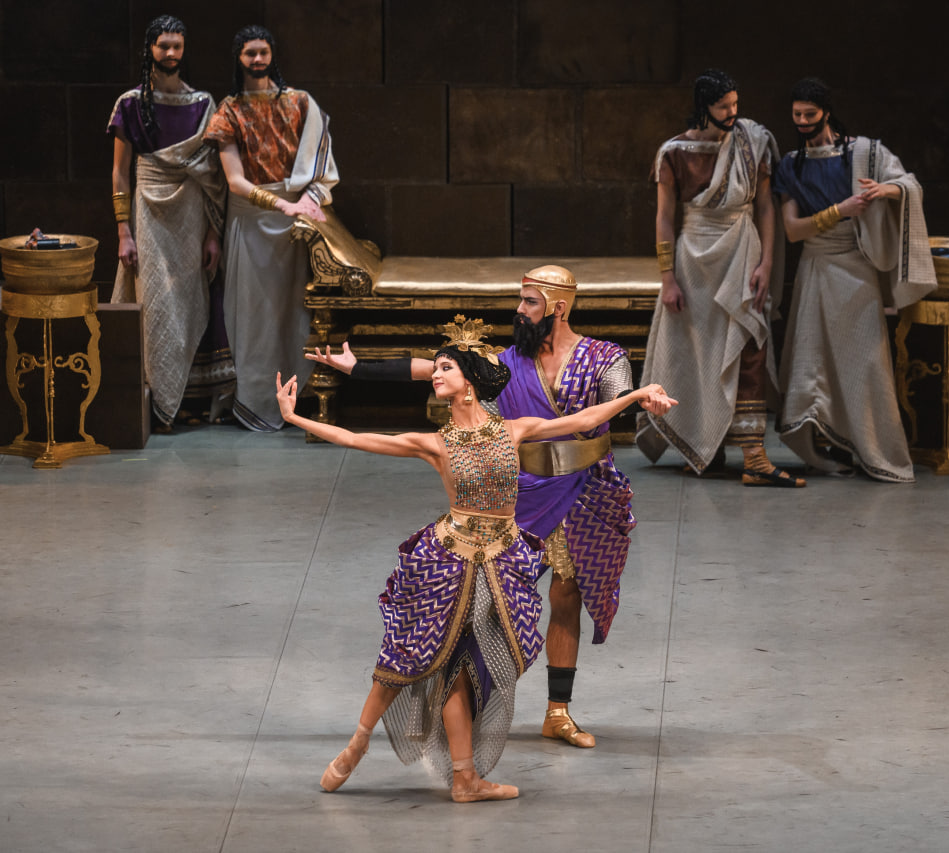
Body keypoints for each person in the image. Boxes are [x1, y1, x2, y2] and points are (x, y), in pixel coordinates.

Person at [277, 316, 676, 801]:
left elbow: (581, 421)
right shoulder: (436, 443)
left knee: (464, 667)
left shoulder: (513, 430)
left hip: (501, 566)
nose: (435, 374)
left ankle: (465, 779)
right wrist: (296, 418)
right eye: (436, 368)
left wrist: (637, 395)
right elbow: (356, 439)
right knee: (408, 653)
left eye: (445, 368)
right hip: (447, 562)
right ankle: (357, 744)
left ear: (469, 381)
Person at [637, 69, 802, 487]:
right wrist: (667, 278)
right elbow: (664, 218)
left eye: (735, 104)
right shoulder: (674, 151)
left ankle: (754, 456)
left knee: (749, 346)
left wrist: (766, 263)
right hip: (694, 261)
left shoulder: (751, 141)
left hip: (742, 253)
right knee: (699, 354)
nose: (732, 113)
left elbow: (765, 206)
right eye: (723, 106)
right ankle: (707, 447)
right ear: (703, 107)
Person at [772, 77, 937, 483]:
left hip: (857, 267)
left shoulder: (865, 153)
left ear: (827, 112)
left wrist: (886, 190)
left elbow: (909, 184)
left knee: (865, 362)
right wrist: (840, 210)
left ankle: (871, 448)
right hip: (815, 268)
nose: (803, 121)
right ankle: (818, 451)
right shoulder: (791, 164)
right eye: (796, 115)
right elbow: (792, 231)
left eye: (810, 114)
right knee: (812, 363)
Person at [205, 24, 337, 431]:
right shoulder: (228, 111)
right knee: (253, 315)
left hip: (295, 224)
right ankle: (256, 400)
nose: (258, 59)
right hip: (251, 221)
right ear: (239, 58)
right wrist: (282, 203)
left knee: (293, 314)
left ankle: (297, 401)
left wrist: (304, 202)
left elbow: (321, 165)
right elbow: (235, 181)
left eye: (263, 52)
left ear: (272, 55)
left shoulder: (300, 102)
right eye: (250, 53)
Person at [108, 14, 231, 429]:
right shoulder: (129, 104)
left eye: (177, 45)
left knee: (190, 296)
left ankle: (188, 399)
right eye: (164, 45)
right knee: (155, 299)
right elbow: (120, 172)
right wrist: (124, 232)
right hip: (148, 210)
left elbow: (214, 176)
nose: (171, 52)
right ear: (150, 48)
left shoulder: (202, 104)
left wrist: (213, 233)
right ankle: (157, 399)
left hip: (192, 211)